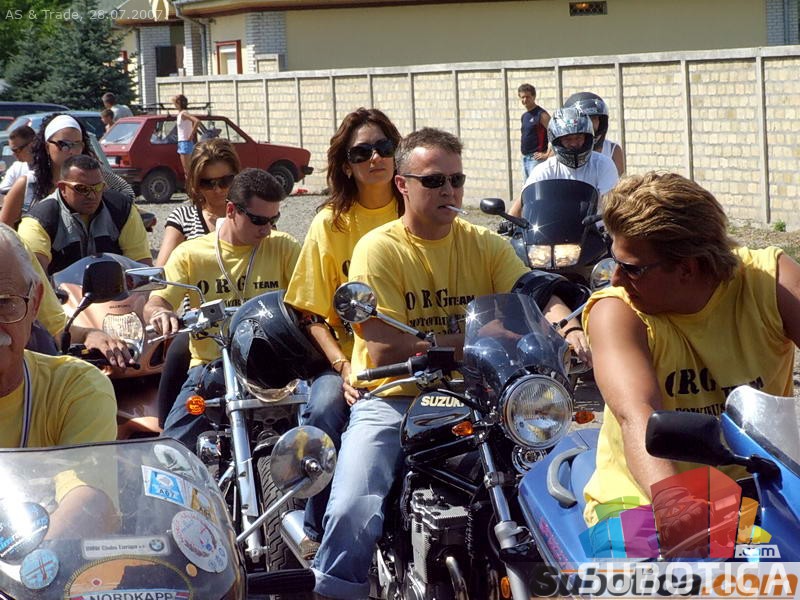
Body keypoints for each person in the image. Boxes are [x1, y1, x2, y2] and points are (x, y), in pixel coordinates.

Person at [310, 127, 588, 599]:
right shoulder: (379, 248)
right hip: (395, 397)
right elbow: (384, 349)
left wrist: (569, 327)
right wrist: (479, 337)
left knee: (571, 474)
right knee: (354, 505)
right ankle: (336, 589)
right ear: (402, 184)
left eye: (456, 180)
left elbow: (534, 291)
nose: (450, 191)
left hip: (480, 395)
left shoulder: (484, 243)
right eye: (434, 181)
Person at [581, 172, 800, 528]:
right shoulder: (616, 311)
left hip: (763, 492)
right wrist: (675, 509)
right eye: (614, 263)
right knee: (665, 566)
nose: (616, 279)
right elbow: (636, 415)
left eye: (631, 269)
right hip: (643, 503)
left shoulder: (771, 281)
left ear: (687, 268)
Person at [283, 107, 403, 556]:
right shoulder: (330, 223)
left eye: (384, 147)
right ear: (346, 165)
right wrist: (343, 366)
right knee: (326, 405)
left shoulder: (416, 209)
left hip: (412, 355)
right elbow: (311, 313)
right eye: (361, 152)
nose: (375, 158)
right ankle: (317, 530)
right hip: (347, 357)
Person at [145, 168, 301, 450]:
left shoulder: (284, 247)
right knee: (170, 450)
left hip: (274, 368)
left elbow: (308, 301)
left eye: (273, 219)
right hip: (211, 367)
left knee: (318, 431)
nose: (267, 229)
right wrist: (161, 313)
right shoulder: (191, 253)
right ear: (231, 210)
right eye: (258, 220)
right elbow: (157, 301)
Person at [0, 222, 119, 535]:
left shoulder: (74, 388)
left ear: (35, 303)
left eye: (4, 302)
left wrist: (38, 562)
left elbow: (89, 500)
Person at [153, 138, 241, 427]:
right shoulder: (184, 216)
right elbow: (161, 273)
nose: (218, 190)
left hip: (247, 319)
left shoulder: (252, 214)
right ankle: (167, 429)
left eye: (226, 181)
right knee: (179, 348)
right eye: (208, 183)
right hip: (202, 326)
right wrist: (161, 309)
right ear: (194, 183)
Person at [17, 154, 152, 275]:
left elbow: (142, 267)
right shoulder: (39, 220)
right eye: (82, 189)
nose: (92, 196)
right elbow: (35, 277)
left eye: (98, 187)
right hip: (60, 294)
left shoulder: (122, 209)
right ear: (62, 188)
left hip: (117, 292)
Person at [0, 113, 135, 227]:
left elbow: (127, 195)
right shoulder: (27, 184)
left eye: (77, 144)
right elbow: (4, 234)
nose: (71, 151)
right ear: (47, 147)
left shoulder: (97, 178)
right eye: (63, 144)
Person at [508, 107, 619, 218]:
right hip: (552, 228)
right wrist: (509, 223)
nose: (574, 144)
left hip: (597, 227)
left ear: (587, 137)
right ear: (557, 141)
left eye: (578, 137)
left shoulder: (603, 165)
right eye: (568, 139)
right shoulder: (544, 170)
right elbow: (518, 208)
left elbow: (611, 205)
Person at [565, 91, 625, 176]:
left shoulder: (612, 150)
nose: (591, 123)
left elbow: (620, 182)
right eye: (586, 118)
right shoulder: (562, 150)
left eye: (594, 118)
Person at [518, 83, 551, 180]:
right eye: (522, 97)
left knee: (536, 186)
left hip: (536, 160)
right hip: (525, 159)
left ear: (534, 96)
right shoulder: (524, 116)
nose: (525, 100)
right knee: (527, 187)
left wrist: (547, 154)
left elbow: (555, 135)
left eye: (527, 97)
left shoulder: (542, 115)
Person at [0, 125, 34, 195]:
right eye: (12, 150)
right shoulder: (16, 167)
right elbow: (3, 191)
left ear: (31, 145)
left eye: (17, 150)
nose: (14, 154)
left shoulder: (51, 166)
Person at [173, 94, 201, 176]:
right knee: (186, 170)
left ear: (179, 103)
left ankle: (191, 184)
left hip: (185, 142)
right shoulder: (180, 114)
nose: (174, 105)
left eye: (175, 103)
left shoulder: (184, 114)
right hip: (182, 142)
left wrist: (191, 135)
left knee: (188, 170)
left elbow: (197, 121)